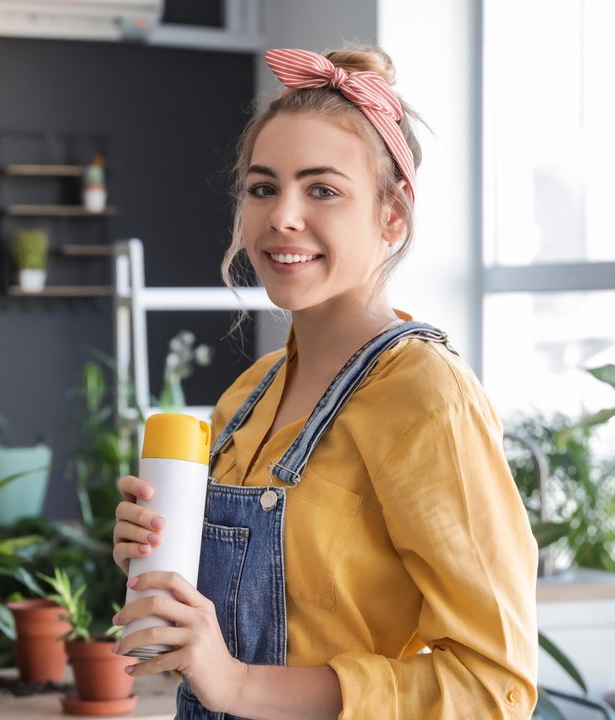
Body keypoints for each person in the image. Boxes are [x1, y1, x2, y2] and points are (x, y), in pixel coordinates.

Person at [110, 45, 538, 720]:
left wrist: (240, 685)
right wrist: (157, 553)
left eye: (322, 190)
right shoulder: (247, 396)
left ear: (391, 217)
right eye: (262, 187)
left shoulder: (426, 396)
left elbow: (495, 689)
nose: (282, 215)